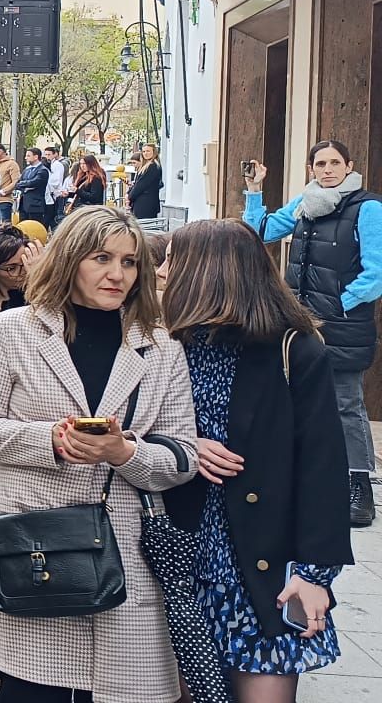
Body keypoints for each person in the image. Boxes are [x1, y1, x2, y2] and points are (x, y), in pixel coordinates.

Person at [0, 205, 198, 703]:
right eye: (102, 258)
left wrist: (124, 452)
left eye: (130, 262)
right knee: (32, 693)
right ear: (70, 259)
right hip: (38, 550)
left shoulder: (160, 345)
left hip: (126, 560)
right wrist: (50, 441)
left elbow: (183, 456)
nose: (117, 274)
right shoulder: (15, 329)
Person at [159, 219, 353, 702]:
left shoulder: (293, 349)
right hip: (184, 562)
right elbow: (132, 430)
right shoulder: (167, 344)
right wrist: (183, 446)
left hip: (261, 569)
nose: (160, 271)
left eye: (172, 260)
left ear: (208, 272)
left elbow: (323, 470)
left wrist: (315, 575)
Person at [244, 139, 382, 526]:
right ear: (311, 169)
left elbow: (377, 272)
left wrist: (341, 304)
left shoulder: (367, 208)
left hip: (342, 324)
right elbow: (259, 233)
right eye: (320, 163)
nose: (327, 169)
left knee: (346, 405)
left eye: (334, 162)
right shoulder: (306, 203)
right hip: (300, 323)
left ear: (349, 165)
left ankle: (359, 487)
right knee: (295, 400)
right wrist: (255, 191)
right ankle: (307, 480)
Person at [129, 142, 165, 228]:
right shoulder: (146, 166)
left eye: (148, 151)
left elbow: (141, 185)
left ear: (154, 152)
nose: (145, 153)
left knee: (144, 228)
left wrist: (130, 196)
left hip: (146, 203)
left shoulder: (152, 166)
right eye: (144, 151)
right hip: (143, 202)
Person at [12, 148, 49, 224]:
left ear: (36, 157)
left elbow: (34, 182)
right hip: (23, 204)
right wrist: (23, 185)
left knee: (34, 226)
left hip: (35, 205)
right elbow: (18, 182)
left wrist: (23, 184)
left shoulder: (43, 170)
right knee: (23, 225)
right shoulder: (27, 169)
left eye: (28, 156)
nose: (26, 158)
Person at [0, 145, 21, 224]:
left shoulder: (12, 164)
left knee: (5, 224)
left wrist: (4, 191)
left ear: (1, 151)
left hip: (4, 199)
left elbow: (16, 181)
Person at [42, 146, 68, 227]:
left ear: (54, 155)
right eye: (45, 154)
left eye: (49, 154)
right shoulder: (46, 165)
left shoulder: (58, 165)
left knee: (55, 217)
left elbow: (56, 181)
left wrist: (49, 188)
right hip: (49, 194)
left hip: (56, 194)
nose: (47, 156)